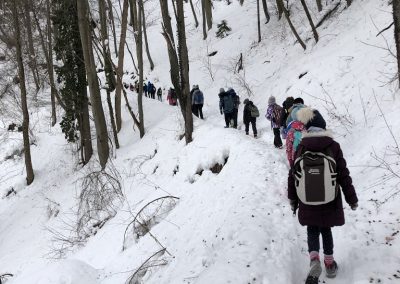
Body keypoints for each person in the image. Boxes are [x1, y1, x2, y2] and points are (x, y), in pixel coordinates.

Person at [287, 107, 358, 284]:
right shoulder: (333, 146)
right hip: (330, 198)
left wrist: (293, 199)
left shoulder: (302, 146)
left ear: (307, 128)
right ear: (323, 126)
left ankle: (314, 260)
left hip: (307, 199)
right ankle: (330, 264)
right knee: (326, 229)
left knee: (312, 228)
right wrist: (352, 199)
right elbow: (343, 174)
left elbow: (293, 174)